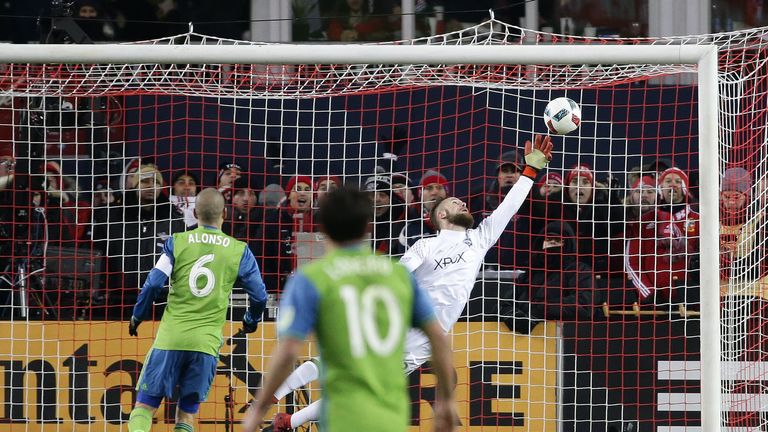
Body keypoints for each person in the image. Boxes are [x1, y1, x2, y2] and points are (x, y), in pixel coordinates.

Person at [265, 135, 553, 431]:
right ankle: (271, 396)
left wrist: (531, 172)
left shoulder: (479, 239)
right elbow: (396, 276)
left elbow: (509, 207)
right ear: (442, 214)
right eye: (457, 202)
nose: (464, 202)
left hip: (423, 343)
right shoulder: (426, 246)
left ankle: (287, 421)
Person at [243, 186, 455, 432]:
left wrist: (259, 406)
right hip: (390, 418)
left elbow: (289, 350)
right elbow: (438, 339)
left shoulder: (311, 279)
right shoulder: (398, 275)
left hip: (342, 415)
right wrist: (447, 402)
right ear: (368, 225)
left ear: (323, 227)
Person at [125, 188, 268, 432]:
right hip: (205, 346)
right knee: (186, 416)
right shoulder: (239, 250)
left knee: (144, 407)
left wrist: (138, 314)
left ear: (193, 212)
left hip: (170, 339)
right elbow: (259, 296)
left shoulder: (176, 242)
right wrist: (250, 320)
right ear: (225, 212)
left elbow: (153, 283)